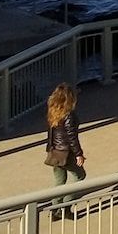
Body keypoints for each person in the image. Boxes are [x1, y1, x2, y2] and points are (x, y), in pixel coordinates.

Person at [43, 82, 86, 218]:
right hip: (66, 152)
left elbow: (51, 133)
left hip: (55, 151)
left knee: (59, 181)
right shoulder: (69, 115)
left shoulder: (53, 111)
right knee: (79, 176)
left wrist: (50, 148)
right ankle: (66, 206)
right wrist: (79, 154)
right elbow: (72, 137)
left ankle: (55, 208)